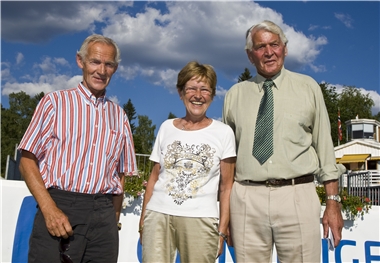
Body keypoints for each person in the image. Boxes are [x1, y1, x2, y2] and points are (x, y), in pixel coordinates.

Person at [222, 20, 346, 263]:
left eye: (274, 44)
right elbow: (227, 159)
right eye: (260, 47)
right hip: (247, 198)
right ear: (250, 55)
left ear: (285, 49)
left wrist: (333, 202)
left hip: (297, 194)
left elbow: (324, 147)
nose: (269, 52)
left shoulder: (308, 87)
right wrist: (225, 213)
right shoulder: (234, 95)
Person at [18, 34, 137, 263]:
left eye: (109, 64)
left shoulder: (119, 116)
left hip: (103, 213)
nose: (101, 70)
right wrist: (49, 209)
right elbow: (26, 160)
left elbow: (120, 174)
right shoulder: (54, 103)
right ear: (80, 61)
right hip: (59, 206)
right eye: (95, 61)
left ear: (115, 68)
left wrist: (112, 219)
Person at [139, 61, 236, 263]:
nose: (198, 95)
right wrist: (143, 220)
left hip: (201, 220)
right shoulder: (166, 127)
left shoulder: (224, 132)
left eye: (205, 89)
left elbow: (227, 187)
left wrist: (222, 232)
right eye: (191, 88)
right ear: (180, 92)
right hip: (158, 216)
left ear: (212, 94)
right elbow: (154, 177)